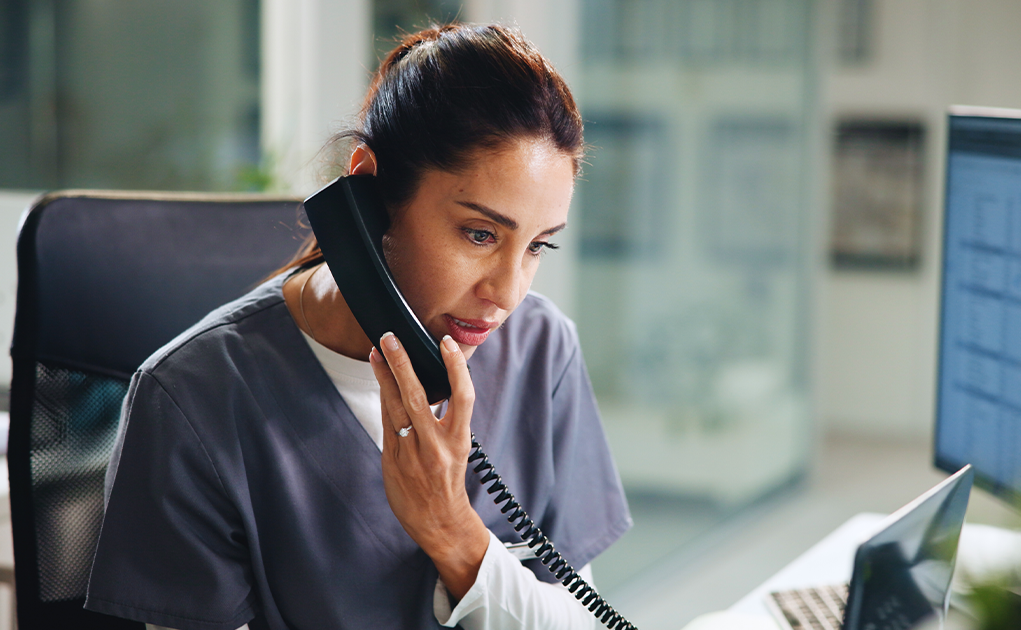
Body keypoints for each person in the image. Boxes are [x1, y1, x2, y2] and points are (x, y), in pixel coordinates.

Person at [85, 23, 632, 630]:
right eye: (480, 234)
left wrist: (453, 533)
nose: (507, 294)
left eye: (537, 247)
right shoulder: (194, 400)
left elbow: (584, 618)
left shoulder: (542, 351)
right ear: (369, 186)